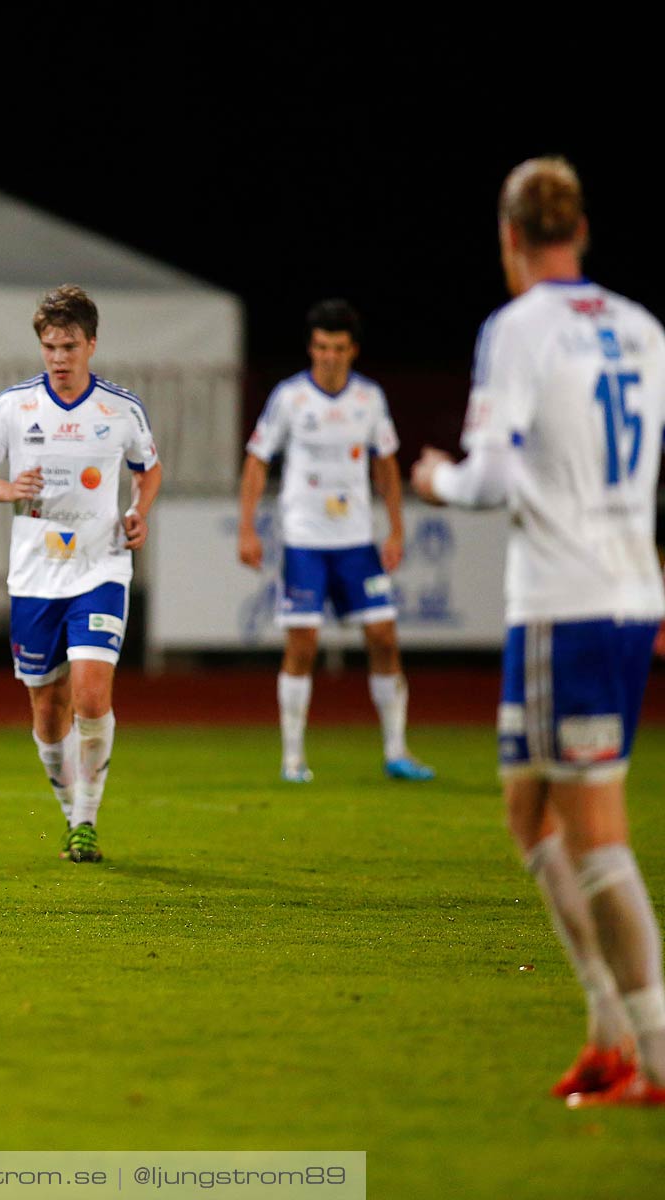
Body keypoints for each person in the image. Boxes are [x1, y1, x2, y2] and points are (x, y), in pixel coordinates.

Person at [411, 156, 665, 1106]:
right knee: (530, 809)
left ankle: (656, 1051)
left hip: (568, 601)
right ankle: (607, 1026)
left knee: (596, 831)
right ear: (582, 231)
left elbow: (489, 479)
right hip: (615, 593)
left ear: (511, 240)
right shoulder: (643, 328)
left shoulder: (518, 331)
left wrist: (434, 476)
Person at [0, 285, 162, 864]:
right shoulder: (15, 406)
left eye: (69, 346)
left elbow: (149, 469)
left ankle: (88, 818)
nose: (59, 357)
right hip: (35, 577)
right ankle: (70, 811)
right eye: (49, 346)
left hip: (101, 566)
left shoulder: (120, 409)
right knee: (48, 708)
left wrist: (138, 513)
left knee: (92, 696)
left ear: (91, 344)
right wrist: (6, 490)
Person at [238, 300, 435, 783]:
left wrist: (396, 527)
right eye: (322, 347)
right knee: (302, 643)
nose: (329, 356)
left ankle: (396, 751)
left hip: (355, 540)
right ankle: (292, 759)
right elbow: (258, 458)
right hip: (305, 539)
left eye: (338, 348)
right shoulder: (290, 398)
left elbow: (385, 464)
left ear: (353, 351)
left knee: (384, 638)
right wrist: (247, 527)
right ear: (311, 347)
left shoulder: (369, 398)